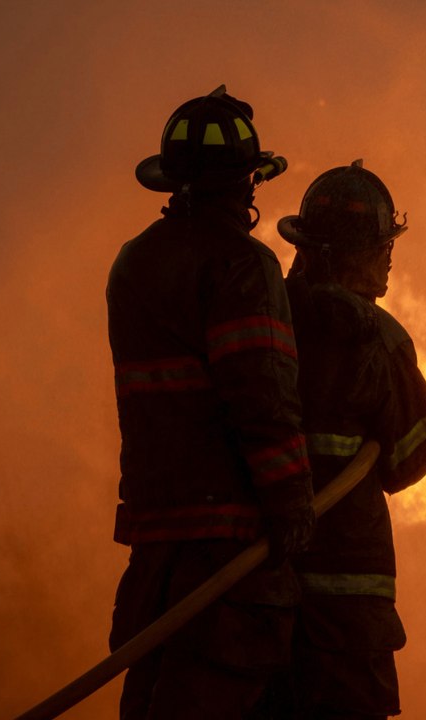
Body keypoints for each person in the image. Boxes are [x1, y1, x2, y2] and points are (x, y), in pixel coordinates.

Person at [105, 84, 314, 720]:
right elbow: (262, 397)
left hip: (156, 545)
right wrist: (291, 505)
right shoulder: (242, 266)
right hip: (229, 553)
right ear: (245, 182)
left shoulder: (133, 263)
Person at [275, 160, 426, 719]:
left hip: (259, 596)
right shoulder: (379, 340)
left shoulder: (261, 321)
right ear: (347, 256)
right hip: (349, 614)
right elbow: (416, 449)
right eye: (380, 247)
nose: (389, 258)